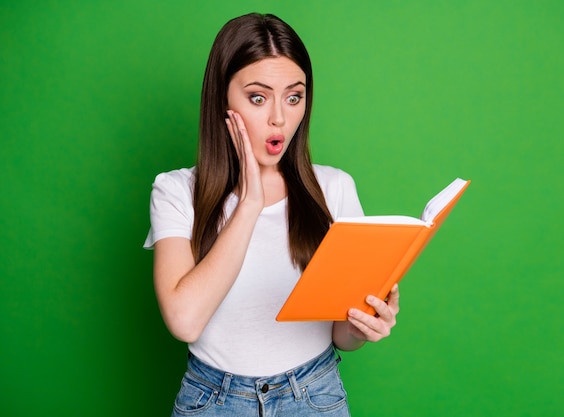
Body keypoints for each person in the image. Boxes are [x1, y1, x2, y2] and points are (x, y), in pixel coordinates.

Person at [144, 12, 400, 417]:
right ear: (222, 100)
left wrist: (363, 324)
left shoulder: (334, 188)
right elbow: (185, 321)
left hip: (314, 395)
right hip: (213, 400)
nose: (279, 117)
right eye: (258, 98)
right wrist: (249, 203)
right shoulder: (177, 191)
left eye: (294, 97)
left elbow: (342, 336)